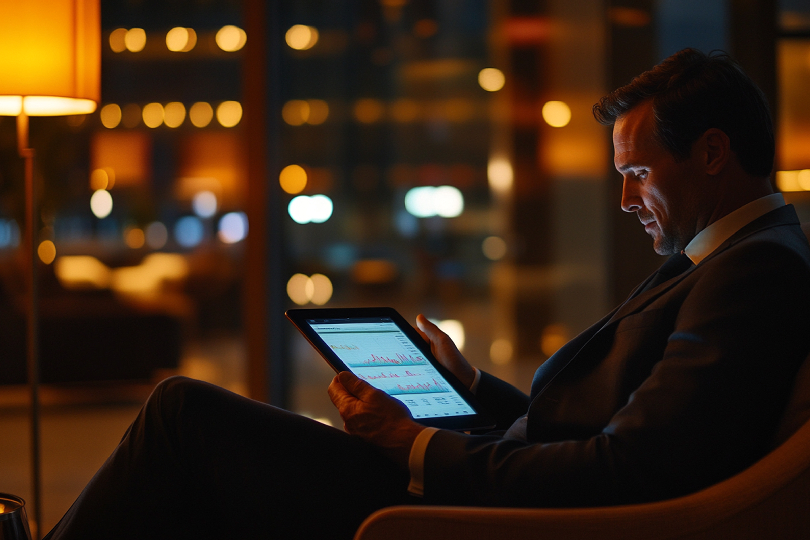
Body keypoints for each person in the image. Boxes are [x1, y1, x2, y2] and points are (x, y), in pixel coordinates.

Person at [44, 48, 810, 540]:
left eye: (637, 173)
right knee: (191, 447)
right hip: (489, 488)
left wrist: (415, 446)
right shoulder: (732, 257)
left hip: (483, 516)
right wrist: (471, 384)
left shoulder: (753, 272)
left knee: (185, 417)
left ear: (712, 153)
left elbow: (629, 468)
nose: (623, 201)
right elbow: (600, 427)